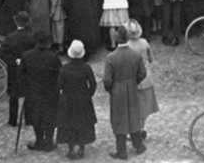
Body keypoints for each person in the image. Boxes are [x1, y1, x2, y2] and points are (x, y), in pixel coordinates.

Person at [103, 26, 146, 160]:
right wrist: (134, 82)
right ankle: (138, 146)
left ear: (116, 38)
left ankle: (121, 151)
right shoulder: (136, 55)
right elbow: (142, 73)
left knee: (118, 119)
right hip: (132, 87)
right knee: (133, 116)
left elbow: (107, 80)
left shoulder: (111, 57)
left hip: (117, 90)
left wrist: (111, 89)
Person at [20, 31, 62, 152]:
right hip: (50, 92)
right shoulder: (53, 57)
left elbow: (21, 76)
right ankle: (49, 141)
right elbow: (59, 75)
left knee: (36, 117)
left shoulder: (26, 56)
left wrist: (24, 91)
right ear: (48, 43)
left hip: (33, 92)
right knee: (50, 116)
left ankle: (39, 140)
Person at [56, 40, 97, 160]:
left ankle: (71, 148)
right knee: (83, 123)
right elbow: (93, 84)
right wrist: (88, 95)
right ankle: (81, 147)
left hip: (68, 99)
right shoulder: (86, 68)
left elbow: (59, 85)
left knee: (69, 123)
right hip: (83, 98)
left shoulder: (64, 69)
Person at [125, 20, 158, 143]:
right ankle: (141, 129)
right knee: (144, 108)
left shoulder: (126, 46)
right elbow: (151, 59)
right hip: (146, 79)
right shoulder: (144, 43)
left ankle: (134, 130)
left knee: (133, 108)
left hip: (132, 81)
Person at [2, 11, 36, 127]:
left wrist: (14, 60)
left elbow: (4, 53)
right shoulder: (32, 37)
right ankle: (29, 119)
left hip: (14, 69)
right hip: (28, 69)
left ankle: (12, 120)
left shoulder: (10, 37)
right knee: (29, 94)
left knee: (13, 95)